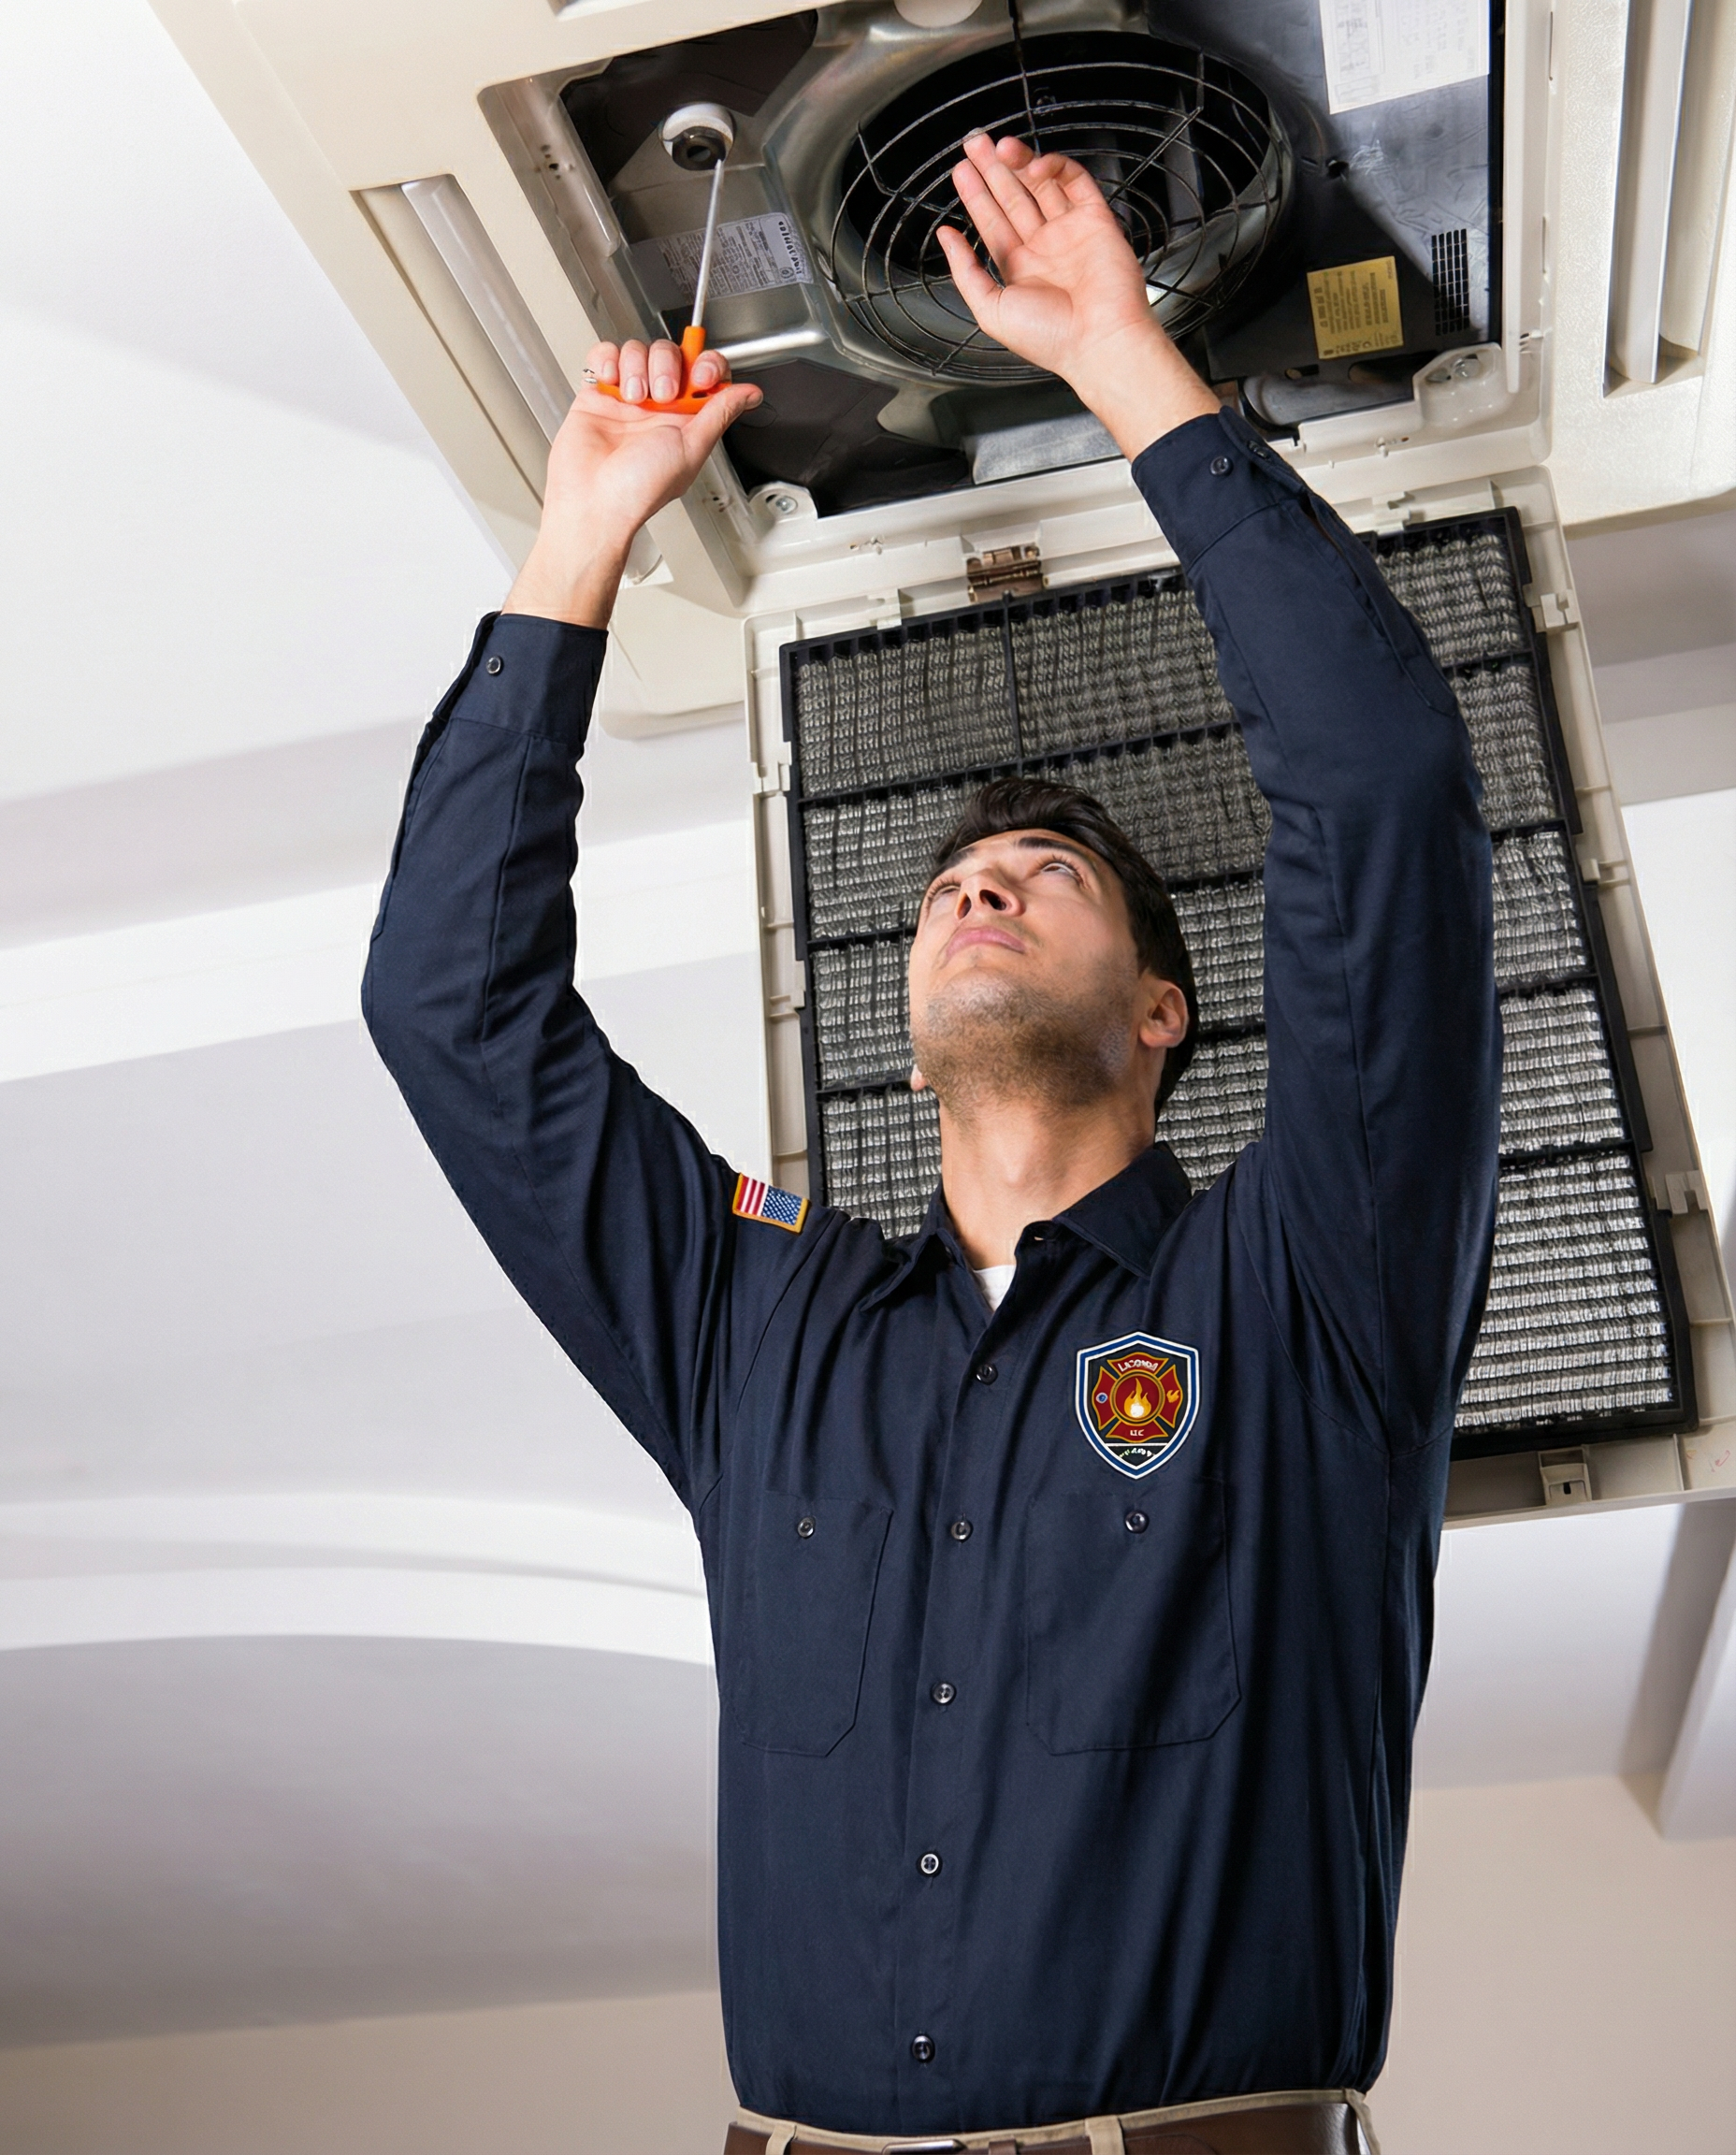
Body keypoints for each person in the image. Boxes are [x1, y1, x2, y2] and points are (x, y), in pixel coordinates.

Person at [365, 131, 1499, 2155]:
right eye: (954, 877)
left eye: (1045, 869)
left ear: (1163, 1012)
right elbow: (454, 1014)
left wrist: (1127, 367)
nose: (979, 886)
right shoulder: (756, 1339)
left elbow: (1383, 780)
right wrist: (576, 550)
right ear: (899, 1050)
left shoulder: (1311, 1286)